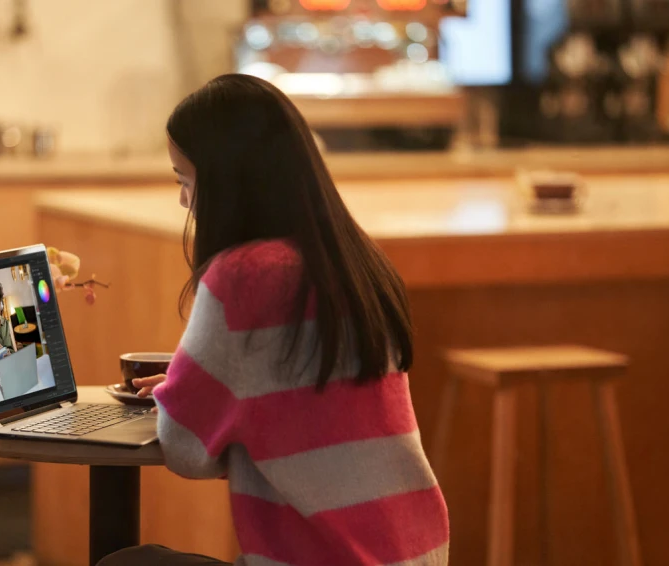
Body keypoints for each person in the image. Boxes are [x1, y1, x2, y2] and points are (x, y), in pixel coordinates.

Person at [99, 74, 449, 566]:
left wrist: (184, 403)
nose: (184, 201)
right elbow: (306, 418)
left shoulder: (243, 278)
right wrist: (202, 393)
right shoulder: (358, 264)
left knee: (125, 563)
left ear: (226, 182)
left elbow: (184, 450)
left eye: (185, 180)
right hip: (416, 555)